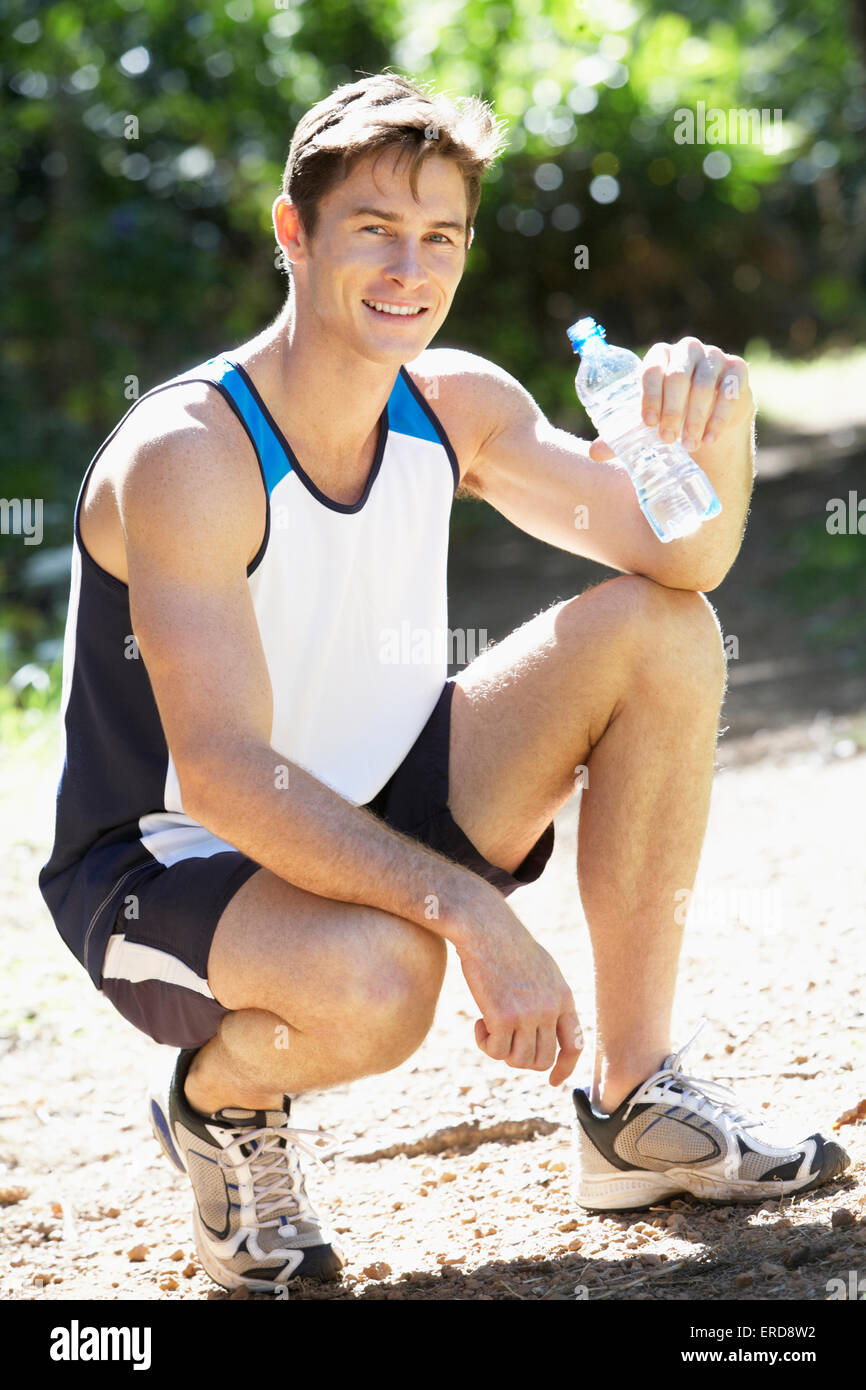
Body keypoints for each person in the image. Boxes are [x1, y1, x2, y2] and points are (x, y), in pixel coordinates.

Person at [39, 72, 849, 1294]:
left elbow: (676, 554)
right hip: (171, 861)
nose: (407, 268)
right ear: (292, 232)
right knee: (384, 981)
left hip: (376, 790)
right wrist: (469, 910)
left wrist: (715, 426)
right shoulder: (188, 456)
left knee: (662, 629)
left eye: (438, 238)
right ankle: (220, 1102)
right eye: (373, 229)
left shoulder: (453, 402)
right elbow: (220, 768)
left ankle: (634, 1105)